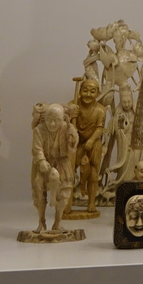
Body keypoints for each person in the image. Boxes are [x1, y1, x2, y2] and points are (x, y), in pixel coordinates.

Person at [30, 102, 77, 233]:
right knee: (39, 192)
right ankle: (41, 222)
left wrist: (73, 138)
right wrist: (41, 161)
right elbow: (37, 148)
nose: (52, 124)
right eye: (49, 120)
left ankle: (58, 222)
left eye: (56, 120)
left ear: (63, 119)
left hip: (62, 163)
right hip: (43, 164)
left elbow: (73, 146)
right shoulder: (39, 130)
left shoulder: (67, 128)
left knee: (64, 194)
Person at [67, 78, 107, 214]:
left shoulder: (100, 110)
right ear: (79, 91)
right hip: (76, 142)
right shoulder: (72, 105)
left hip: (93, 142)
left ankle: (91, 203)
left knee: (94, 173)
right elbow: (64, 122)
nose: (88, 94)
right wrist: (69, 115)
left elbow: (100, 128)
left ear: (97, 93)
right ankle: (67, 203)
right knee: (69, 172)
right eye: (85, 90)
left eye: (92, 91)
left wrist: (91, 140)